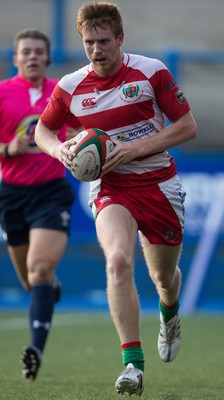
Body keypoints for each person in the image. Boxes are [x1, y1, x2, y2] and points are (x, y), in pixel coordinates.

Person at [35, 2, 198, 396]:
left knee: (163, 278)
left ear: (120, 39)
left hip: (158, 184)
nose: (96, 50)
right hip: (111, 187)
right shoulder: (71, 87)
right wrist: (60, 151)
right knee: (119, 260)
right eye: (89, 42)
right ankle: (132, 365)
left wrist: (135, 148)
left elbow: (187, 127)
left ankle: (169, 312)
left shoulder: (150, 71)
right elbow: (43, 130)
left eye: (104, 41)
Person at [0, 28, 81, 381]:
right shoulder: (2, 94)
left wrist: (79, 146)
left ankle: (35, 349)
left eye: (38, 51)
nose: (32, 56)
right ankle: (49, 286)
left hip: (51, 192)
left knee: (39, 270)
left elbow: (84, 130)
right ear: (15, 58)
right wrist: (7, 149)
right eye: (26, 52)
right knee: (31, 281)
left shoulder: (62, 93)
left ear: (48, 58)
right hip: (11, 195)